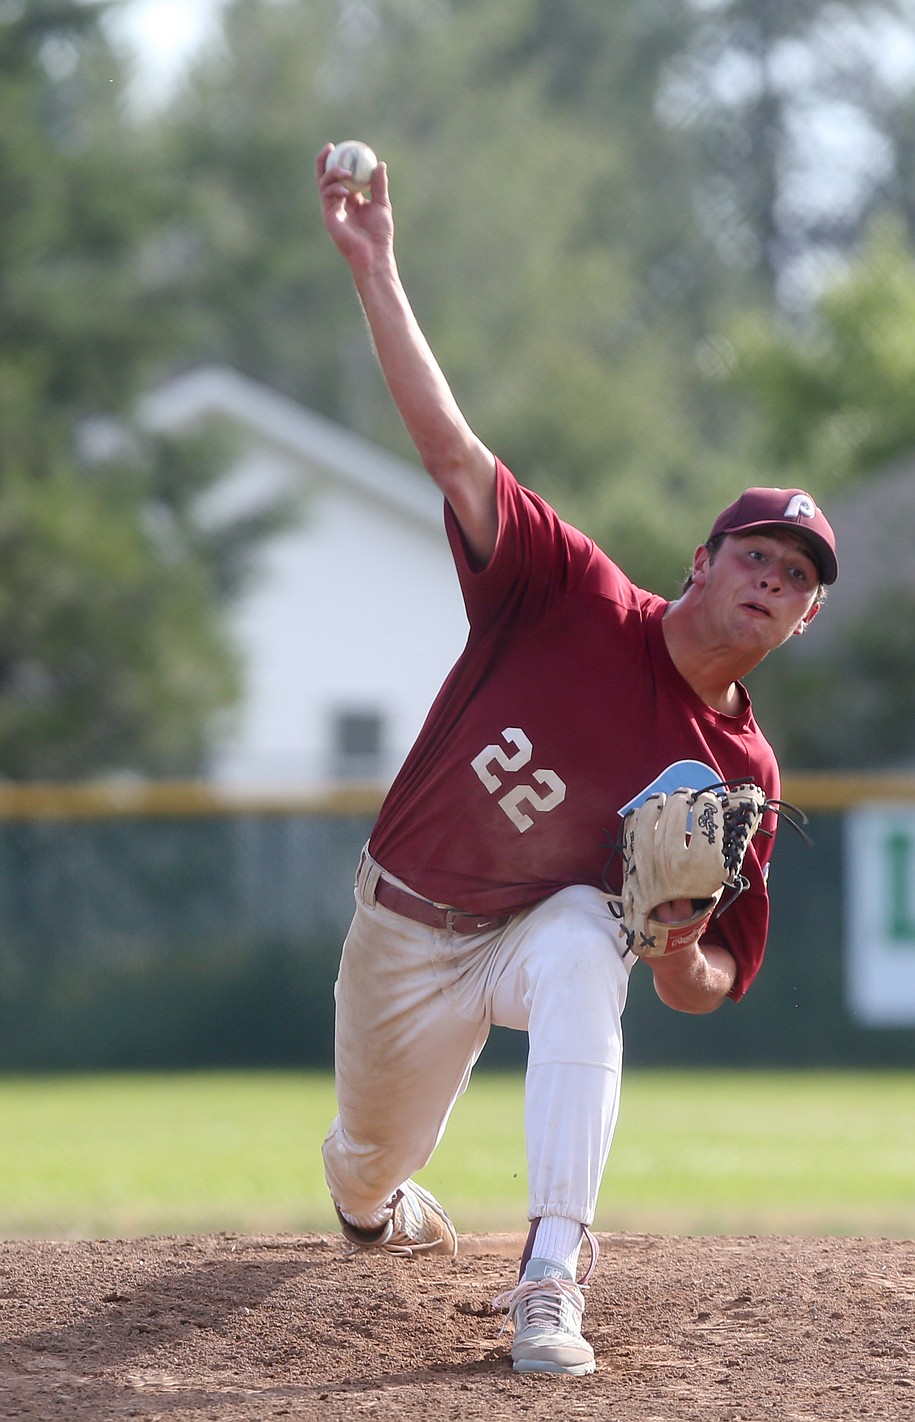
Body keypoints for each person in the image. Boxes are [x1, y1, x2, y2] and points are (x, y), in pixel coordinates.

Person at [314, 142, 838, 1377]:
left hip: (536, 935)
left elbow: (702, 985)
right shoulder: (567, 592)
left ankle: (551, 1273)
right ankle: (378, 1199)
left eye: (800, 578)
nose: (773, 579)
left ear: (806, 621)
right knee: (363, 1172)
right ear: (705, 561)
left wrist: (667, 937)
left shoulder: (741, 776)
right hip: (406, 925)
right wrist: (377, 268)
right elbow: (451, 454)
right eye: (758, 554)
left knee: (580, 942)